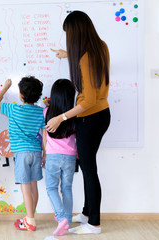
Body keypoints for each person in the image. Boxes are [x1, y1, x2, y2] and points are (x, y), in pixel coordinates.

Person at [47, 10, 110, 234]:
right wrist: (67, 55)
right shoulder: (100, 46)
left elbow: (88, 100)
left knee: (89, 170)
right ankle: (86, 213)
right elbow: (90, 72)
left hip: (90, 117)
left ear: (76, 33)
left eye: (68, 35)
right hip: (102, 114)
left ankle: (94, 223)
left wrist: (61, 117)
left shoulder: (84, 58)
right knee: (86, 166)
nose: (68, 39)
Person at [0, 77, 45, 232]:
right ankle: (30, 218)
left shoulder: (14, 109)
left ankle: (30, 222)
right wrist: (45, 153)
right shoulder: (41, 111)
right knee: (33, 185)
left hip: (21, 153)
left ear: (21, 95)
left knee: (25, 187)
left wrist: (5, 87)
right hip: (36, 151)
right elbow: (44, 133)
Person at [42, 79, 77, 236]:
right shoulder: (74, 114)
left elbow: (44, 136)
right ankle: (67, 221)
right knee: (67, 188)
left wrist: (45, 153)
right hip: (70, 157)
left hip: (53, 156)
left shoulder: (46, 112)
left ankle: (62, 217)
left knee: (51, 188)